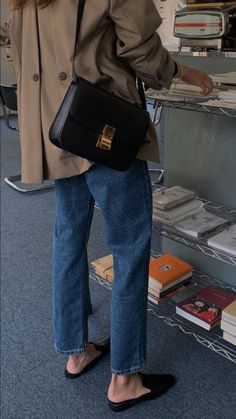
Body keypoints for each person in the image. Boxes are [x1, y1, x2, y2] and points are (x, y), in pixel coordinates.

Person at [1, 0, 213, 412]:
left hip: (58, 128)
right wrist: (184, 71)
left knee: (68, 237)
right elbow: (142, 49)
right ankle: (126, 378)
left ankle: (75, 352)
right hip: (103, 126)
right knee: (131, 246)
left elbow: (14, 46)